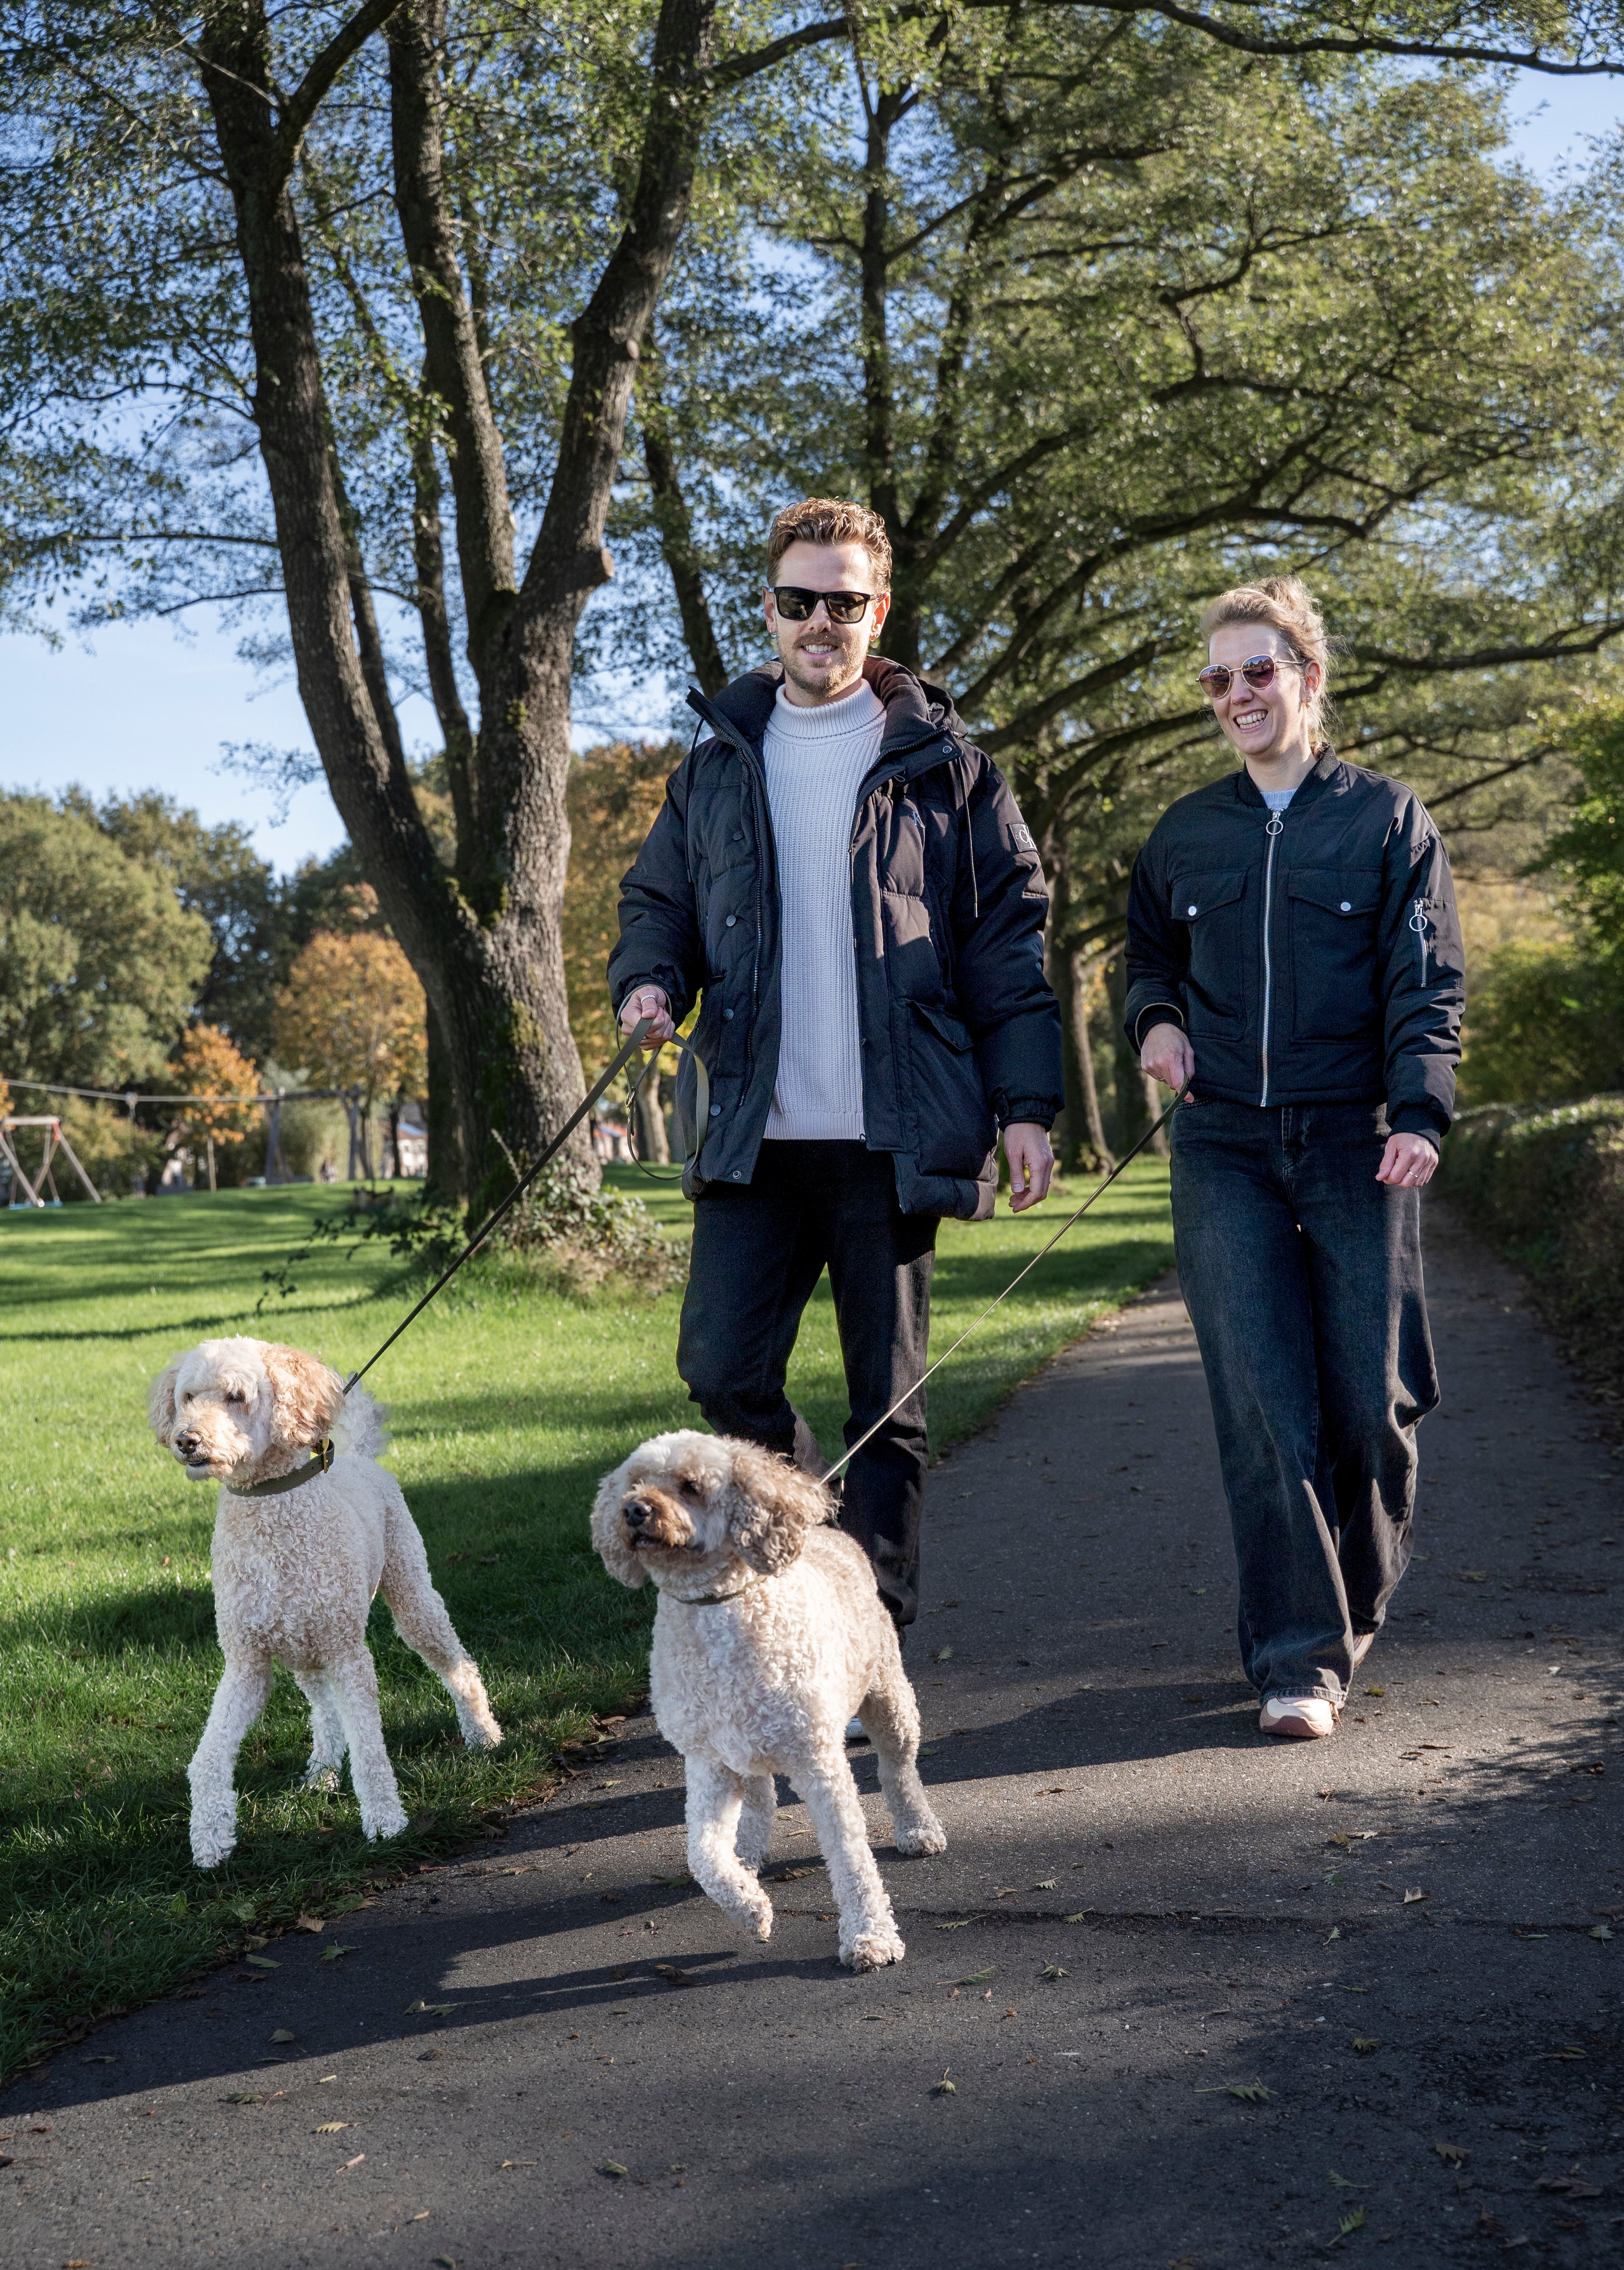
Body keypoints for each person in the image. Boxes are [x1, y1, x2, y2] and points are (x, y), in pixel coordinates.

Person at [610, 496, 1062, 1643]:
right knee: (718, 1367)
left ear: (880, 610)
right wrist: (648, 980)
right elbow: (656, 901)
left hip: (889, 1136)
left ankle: (877, 1632)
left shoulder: (948, 769)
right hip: (756, 1131)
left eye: (844, 602)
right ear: (767, 609)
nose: (821, 620)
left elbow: (1007, 944)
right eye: (799, 600)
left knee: (890, 1406)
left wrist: (1024, 1106)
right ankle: (818, 1549)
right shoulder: (717, 764)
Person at [1125, 576, 1464, 1740]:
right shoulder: (1184, 833)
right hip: (1220, 1143)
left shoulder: (1385, 822)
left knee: (1371, 1405)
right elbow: (1143, 960)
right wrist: (1154, 1023)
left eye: (1256, 672)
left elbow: (1426, 987)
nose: (1235, 695)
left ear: (1308, 678)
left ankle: (1344, 1603)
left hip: (1354, 1139)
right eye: (1216, 678)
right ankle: (1297, 1658)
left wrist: (1419, 1111)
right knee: (1264, 1407)